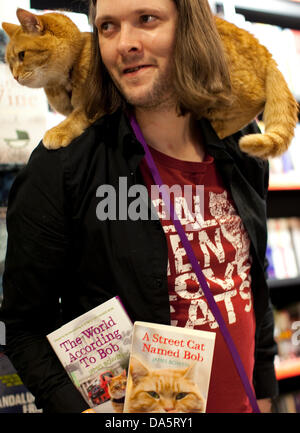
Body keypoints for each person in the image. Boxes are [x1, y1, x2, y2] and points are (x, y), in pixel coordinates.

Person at [0, 0, 278, 413]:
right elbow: (24, 328)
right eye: (108, 27)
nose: (124, 44)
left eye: (146, 20)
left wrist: (265, 389)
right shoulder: (63, 165)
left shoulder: (242, 141)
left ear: (191, 26)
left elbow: (249, 279)